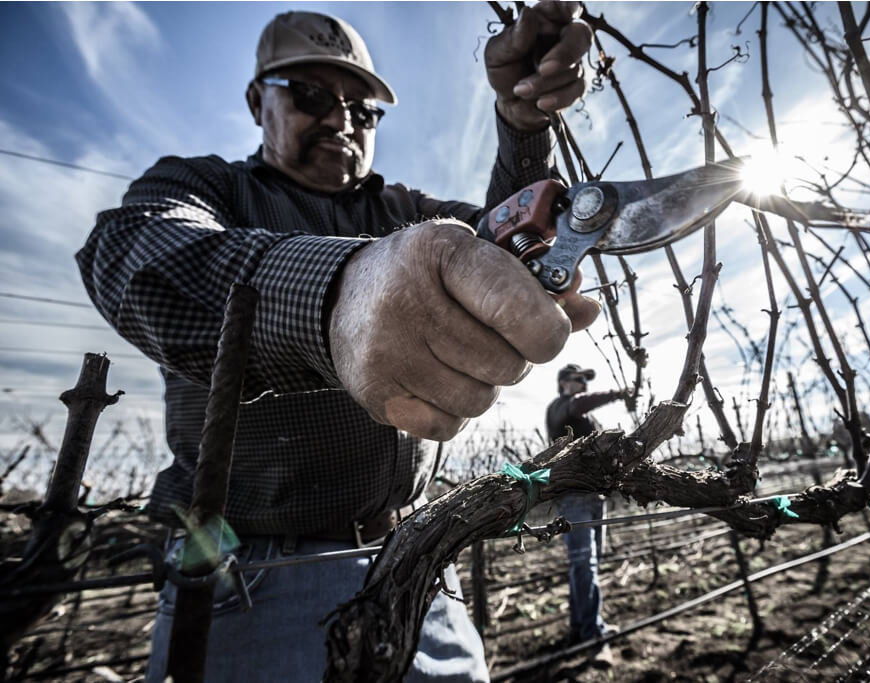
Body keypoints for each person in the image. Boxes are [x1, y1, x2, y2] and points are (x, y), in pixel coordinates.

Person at [76, 7, 597, 681]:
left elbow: (503, 253)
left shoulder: (404, 211)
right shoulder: (204, 187)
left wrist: (524, 126)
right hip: (250, 580)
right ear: (256, 99)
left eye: (363, 110)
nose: (342, 121)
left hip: (412, 560)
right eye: (312, 96)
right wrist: (336, 294)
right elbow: (132, 251)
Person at [545, 364, 630, 652]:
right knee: (584, 565)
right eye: (577, 379)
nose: (583, 383)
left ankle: (583, 626)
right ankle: (592, 638)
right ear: (562, 382)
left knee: (585, 566)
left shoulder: (585, 416)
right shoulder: (560, 408)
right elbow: (580, 403)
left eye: (585, 379)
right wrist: (619, 393)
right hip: (573, 498)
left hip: (595, 497)